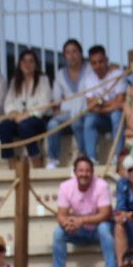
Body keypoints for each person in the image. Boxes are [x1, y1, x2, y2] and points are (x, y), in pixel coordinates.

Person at [52, 154, 116, 267]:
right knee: (59, 232)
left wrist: (81, 220)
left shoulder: (101, 185)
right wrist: (67, 223)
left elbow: (105, 213)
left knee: (104, 227)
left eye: (87, 171)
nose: (84, 174)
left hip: (97, 230)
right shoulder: (65, 187)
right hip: (78, 231)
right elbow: (61, 215)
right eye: (81, 170)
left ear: (92, 172)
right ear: (75, 172)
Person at [0, 48, 51, 169]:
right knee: (3, 126)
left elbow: (44, 103)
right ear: (20, 64)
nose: (27, 64)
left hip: (37, 120)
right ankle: (10, 162)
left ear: (36, 64)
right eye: (24, 61)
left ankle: (36, 158)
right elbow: (8, 102)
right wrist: (13, 113)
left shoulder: (43, 80)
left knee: (25, 126)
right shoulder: (15, 81)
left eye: (31, 61)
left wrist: (26, 115)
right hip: (18, 119)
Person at [79, 45, 128, 165]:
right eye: (94, 63)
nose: (98, 66)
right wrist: (108, 105)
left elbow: (120, 102)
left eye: (100, 61)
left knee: (116, 115)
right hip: (101, 118)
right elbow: (90, 106)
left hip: (115, 117)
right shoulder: (89, 79)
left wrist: (100, 104)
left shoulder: (118, 74)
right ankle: (91, 159)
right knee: (89, 120)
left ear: (106, 60)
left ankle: (118, 156)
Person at [47, 39, 91, 169]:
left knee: (76, 120)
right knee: (52, 124)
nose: (71, 55)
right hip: (67, 114)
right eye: (68, 52)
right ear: (64, 55)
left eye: (74, 52)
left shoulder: (89, 69)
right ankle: (53, 159)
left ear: (81, 53)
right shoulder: (60, 74)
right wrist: (58, 109)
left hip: (86, 112)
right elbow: (56, 100)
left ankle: (83, 154)